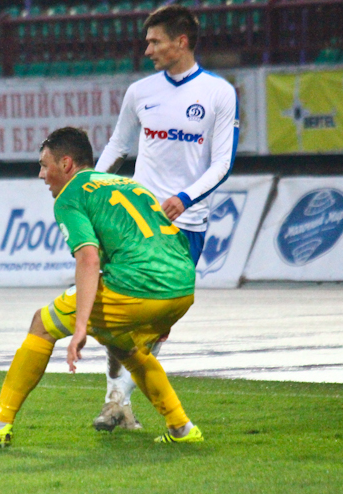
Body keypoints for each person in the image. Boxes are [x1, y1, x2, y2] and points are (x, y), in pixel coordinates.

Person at [0, 127, 202, 450]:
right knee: (122, 345)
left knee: (42, 324)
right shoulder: (129, 184)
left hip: (139, 286)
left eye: (45, 165)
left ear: (66, 164)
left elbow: (88, 259)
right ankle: (181, 427)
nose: (41, 175)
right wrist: (168, 303)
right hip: (182, 285)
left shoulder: (71, 195)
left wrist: (79, 328)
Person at [92, 5, 240, 431]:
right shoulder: (140, 92)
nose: (148, 50)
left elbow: (223, 163)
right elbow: (118, 146)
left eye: (155, 41)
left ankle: (121, 403)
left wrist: (185, 198)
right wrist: (93, 191)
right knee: (119, 313)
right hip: (135, 221)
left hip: (185, 225)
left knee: (157, 322)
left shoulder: (218, 93)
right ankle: (115, 402)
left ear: (182, 41)